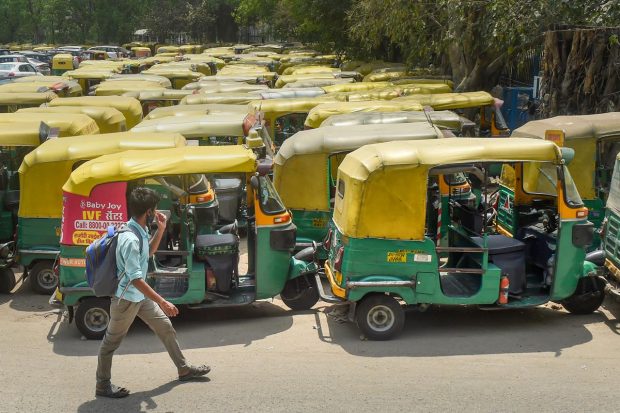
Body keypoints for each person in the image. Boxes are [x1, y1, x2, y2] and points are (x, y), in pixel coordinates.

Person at [96, 187, 210, 398]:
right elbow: (135, 279)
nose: (157, 211)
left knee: (165, 327)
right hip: (126, 301)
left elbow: (149, 252)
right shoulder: (129, 238)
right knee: (110, 343)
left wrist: (161, 228)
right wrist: (163, 302)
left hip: (139, 297)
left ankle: (183, 369)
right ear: (148, 211)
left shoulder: (138, 229)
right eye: (155, 209)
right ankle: (102, 385)